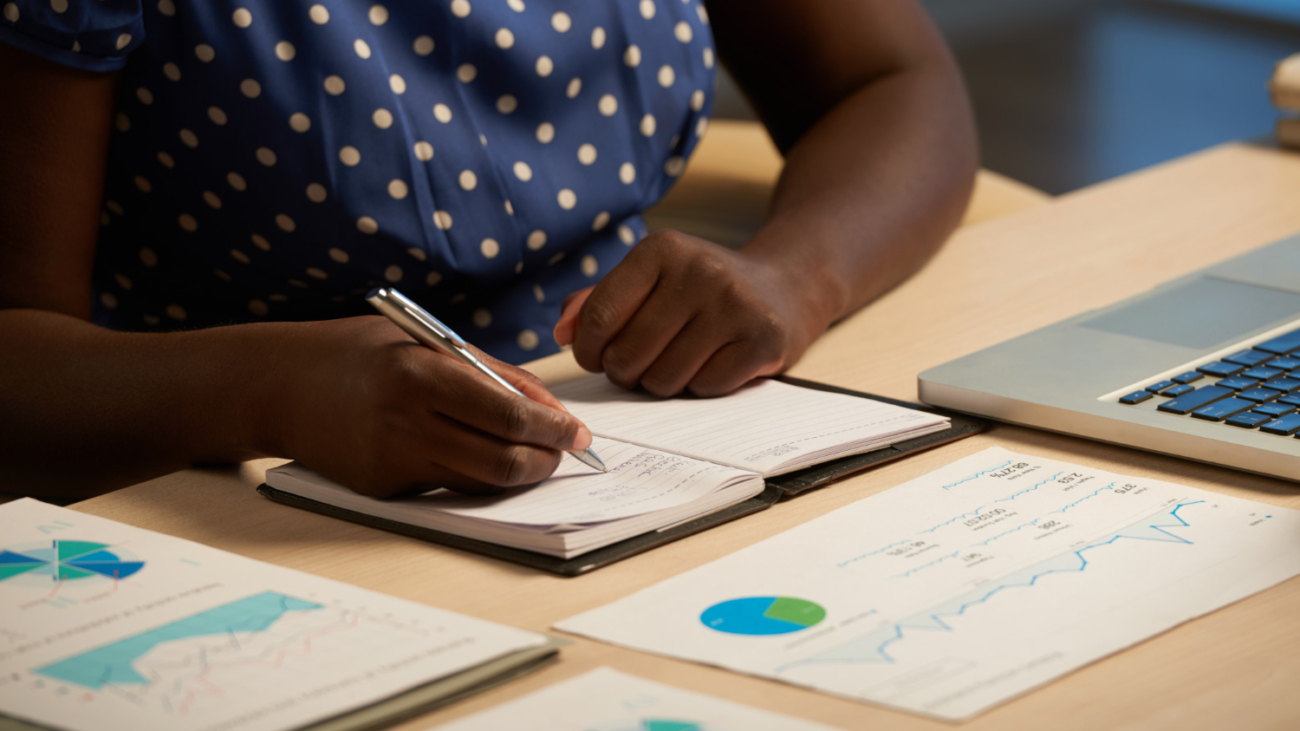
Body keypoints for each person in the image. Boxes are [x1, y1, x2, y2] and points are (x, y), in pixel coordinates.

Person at [0, 0, 976, 500]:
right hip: (224, 489)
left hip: (655, 440)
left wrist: (792, 274)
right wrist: (265, 391)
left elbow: (891, 80)